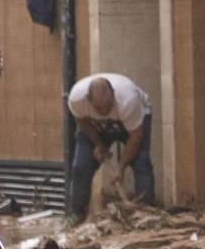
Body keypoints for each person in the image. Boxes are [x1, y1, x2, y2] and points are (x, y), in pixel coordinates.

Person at [66, 72, 154, 218]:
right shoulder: (76, 100)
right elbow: (82, 121)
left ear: (113, 94)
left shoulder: (128, 101)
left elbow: (136, 136)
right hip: (95, 125)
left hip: (133, 122)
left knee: (141, 163)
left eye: (108, 106)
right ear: (88, 100)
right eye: (99, 108)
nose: (105, 112)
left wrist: (121, 167)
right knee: (81, 166)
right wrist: (98, 144)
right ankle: (76, 215)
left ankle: (146, 215)